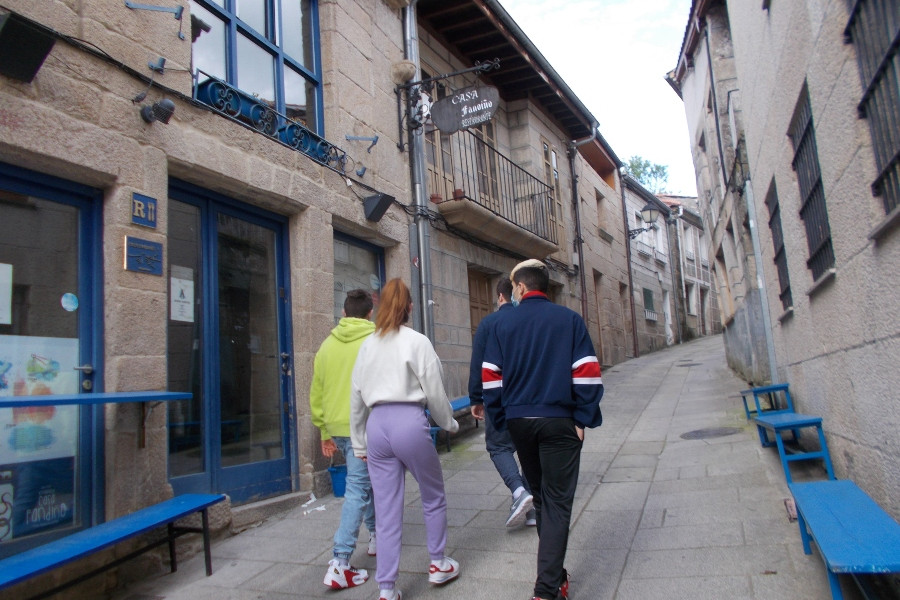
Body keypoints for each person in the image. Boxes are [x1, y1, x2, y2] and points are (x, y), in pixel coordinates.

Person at [481, 259, 603, 600]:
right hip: (560, 420)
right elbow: (588, 373)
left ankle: (556, 577)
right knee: (557, 503)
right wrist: (582, 418)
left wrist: (503, 419)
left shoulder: (501, 325)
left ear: (520, 287)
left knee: (544, 500)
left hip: (520, 423)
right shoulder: (570, 320)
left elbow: (491, 378)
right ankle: (546, 590)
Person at [350, 278, 461, 600]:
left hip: (377, 425)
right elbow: (435, 392)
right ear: (409, 307)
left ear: (380, 306)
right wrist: (449, 423)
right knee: (433, 495)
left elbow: (356, 397)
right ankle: (439, 562)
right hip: (409, 421)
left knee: (386, 511)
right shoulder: (417, 341)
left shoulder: (368, 345)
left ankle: (386, 589)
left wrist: (359, 443)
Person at [310, 289, 377, 590]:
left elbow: (317, 392)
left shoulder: (326, 346)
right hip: (366, 426)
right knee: (358, 489)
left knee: (364, 482)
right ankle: (340, 560)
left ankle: (376, 535)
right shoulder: (375, 340)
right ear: (369, 313)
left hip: (338, 426)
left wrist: (324, 432)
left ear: (344, 314)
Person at [468, 277, 535, 528]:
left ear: (500, 297)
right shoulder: (529, 321)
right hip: (529, 396)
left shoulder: (488, 323)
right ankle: (532, 511)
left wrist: (476, 398)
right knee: (528, 448)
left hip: (499, 396)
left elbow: (479, 364)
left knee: (498, 447)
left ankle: (519, 492)